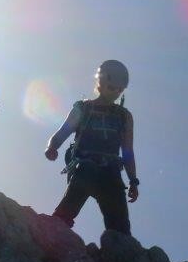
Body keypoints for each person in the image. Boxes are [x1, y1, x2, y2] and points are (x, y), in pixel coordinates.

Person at [44, 59, 138, 235]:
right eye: (112, 88)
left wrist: (133, 180)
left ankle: (120, 251)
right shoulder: (83, 108)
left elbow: (127, 151)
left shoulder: (124, 116)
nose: (115, 93)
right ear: (100, 83)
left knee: (120, 228)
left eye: (120, 90)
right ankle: (56, 229)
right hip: (85, 166)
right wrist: (52, 147)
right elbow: (63, 131)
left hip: (111, 171)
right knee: (84, 175)